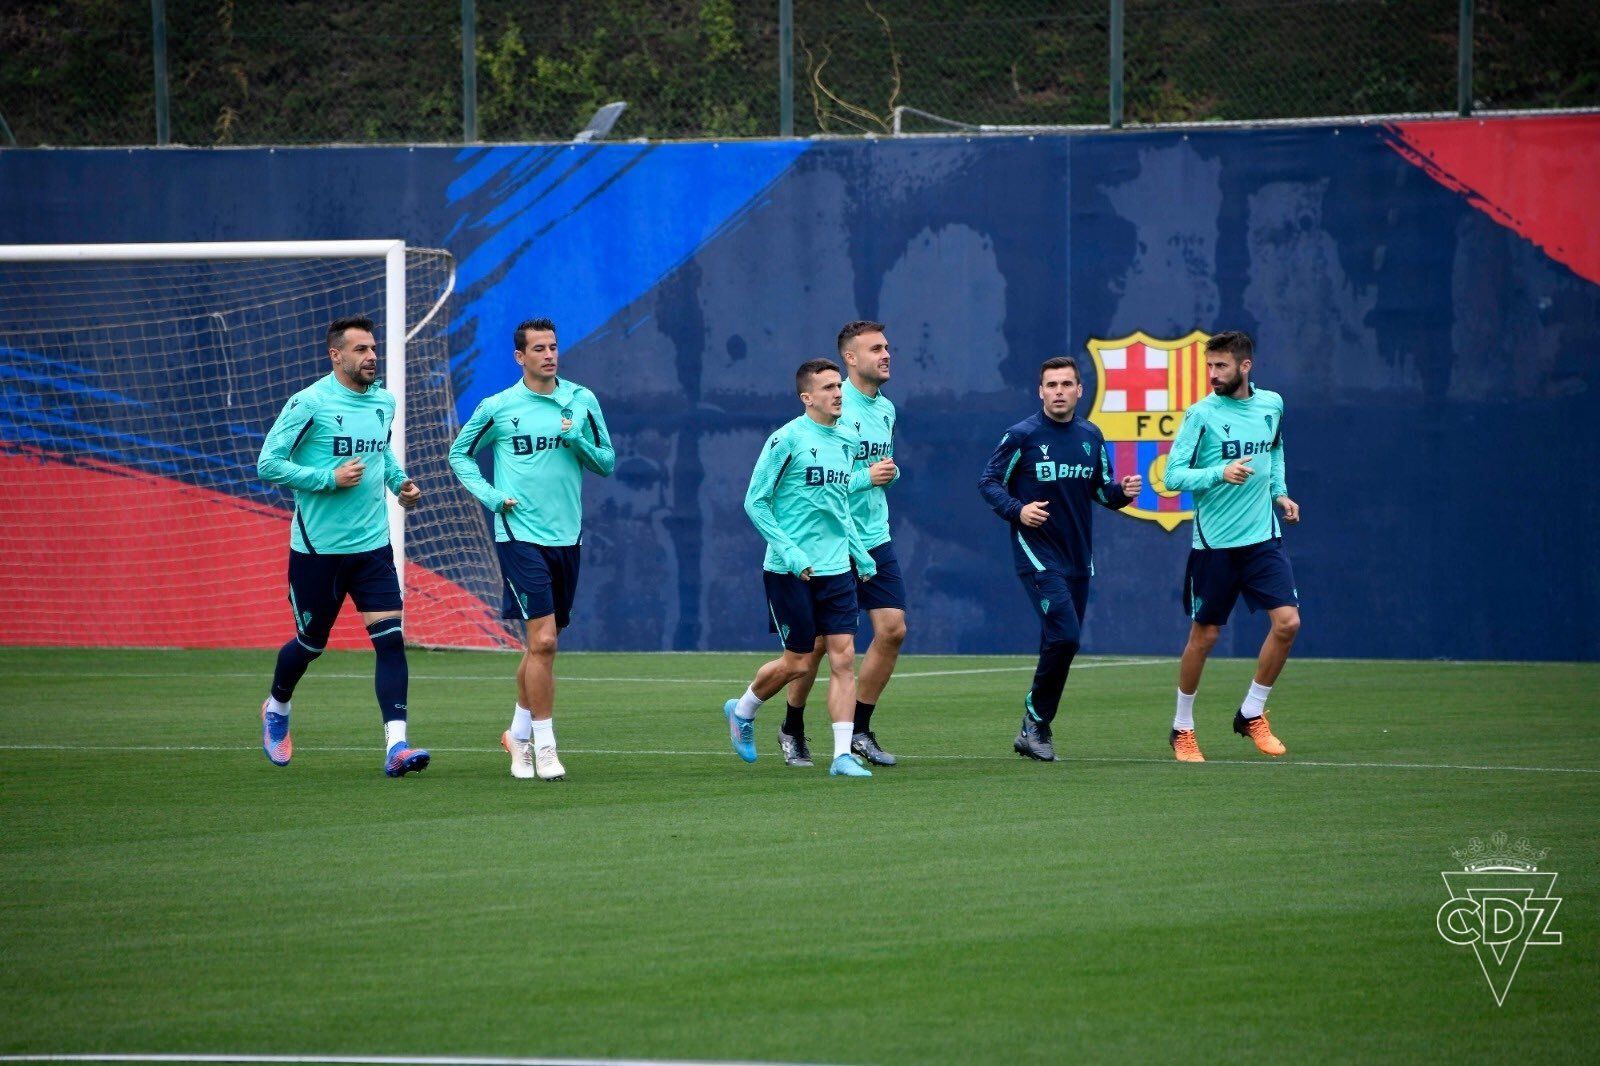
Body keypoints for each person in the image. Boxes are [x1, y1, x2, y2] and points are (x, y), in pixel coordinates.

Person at [256, 315, 427, 777]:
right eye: (360, 350)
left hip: (372, 547)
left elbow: (382, 454)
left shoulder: (383, 402)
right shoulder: (308, 403)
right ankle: (277, 706)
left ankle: (398, 746)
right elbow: (268, 464)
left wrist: (401, 485)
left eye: (373, 348)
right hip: (318, 552)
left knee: (391, 643)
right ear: (336, 355)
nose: (372, 356)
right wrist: (325, 480)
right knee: (311, 645)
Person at [449, 318, 615, 781]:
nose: (549, 354)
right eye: (538, 348)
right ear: (520, 357)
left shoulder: (581, 401)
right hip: (519, 534)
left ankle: (516, 734)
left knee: (541, 645)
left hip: (568, 537)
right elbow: (459, 453)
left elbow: (606, 461)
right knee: (543, 641)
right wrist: (489, 496)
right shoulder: (499, 407)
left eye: (554, 347)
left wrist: (576, 438)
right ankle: (544, 745)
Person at [978, 356, 1141, 761]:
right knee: (1066, 635)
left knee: (1060, 642)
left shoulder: (1092, 435)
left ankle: (1033, 731)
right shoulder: (1023, 435)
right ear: (1040, 391)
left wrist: (1123, 491)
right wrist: (1018, 510)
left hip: (1078, 558)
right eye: (1051, 385)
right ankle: (1036, 722)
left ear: (1079, 390)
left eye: (1066, 384)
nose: (1059, 391)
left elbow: (1101, 491)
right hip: (1037, 551)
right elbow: (988, 481)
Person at [724, 358, 878, 778]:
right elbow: (755, 502)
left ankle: (842, 755)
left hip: (837, 571)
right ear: (807, 397)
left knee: (844, 659)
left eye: (838, 386)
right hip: (788, 570)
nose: (837, 393)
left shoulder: (847, 439)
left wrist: (860, 552)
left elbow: (839, 504)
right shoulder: (786, 439)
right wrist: (791, 553)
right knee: (798, 663)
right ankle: (742, 710)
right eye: (828, 388)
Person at [1161, 330, 1300, 762]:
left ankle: (1251, 713)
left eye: (1221, 366)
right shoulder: (1201, 414)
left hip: (1262, 539)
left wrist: (1279, 492)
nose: (1212, 374)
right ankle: (1182, 726)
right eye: (1209, 366)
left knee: (1288, 624)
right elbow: (1172, 477)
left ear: (1245, 366)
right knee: (1205, 637)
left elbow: (1273, 449)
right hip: (1215, 544)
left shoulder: (1271, 404)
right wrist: (1219, 472)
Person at [778, 320, 906, 768]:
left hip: (875, 536)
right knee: (815, 648)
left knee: (892, 630)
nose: (886, 354)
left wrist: (885, 474)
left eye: (887, 347)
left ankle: (859, 730)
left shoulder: (886, 409)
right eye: (876, 348)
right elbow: (819, 485)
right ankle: (792, 726)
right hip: (833, 542)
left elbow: (874, 469)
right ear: (851, 358)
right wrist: (865, 477)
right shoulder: (833, 404)